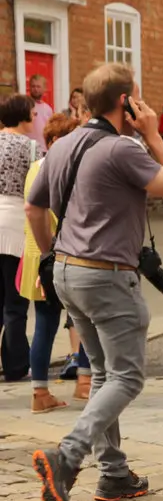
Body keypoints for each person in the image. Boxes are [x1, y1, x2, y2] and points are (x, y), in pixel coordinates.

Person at [27, 62, 163, 501]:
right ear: (126, 102)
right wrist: (154, 135)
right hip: (106, 274)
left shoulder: (61, 146)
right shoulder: (122, 148)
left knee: (102, 372)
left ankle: (114, 474)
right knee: (127, 377)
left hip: (65, 272)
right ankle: (68, 455)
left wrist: (48, 254)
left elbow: (32, 206)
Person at [21, 113, 93, 412]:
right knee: (86, 321)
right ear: (54, 141)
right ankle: (85, 384)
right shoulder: (66, 169)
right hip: (63, 254)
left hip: (36, 255)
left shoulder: (34, 168)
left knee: (44, 326)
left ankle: (40, 393)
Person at [0, 94, 37, 382]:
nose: (35, 119)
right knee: (15, 303)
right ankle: (15, 366)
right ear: (23, 117)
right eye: (33, 115)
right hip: (14, 226)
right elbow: (37, 189)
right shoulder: (31, 148)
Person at [27, 75, 54, 153]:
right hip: (28, 148)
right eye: (33, 86)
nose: (35, 89)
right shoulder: (25, 105)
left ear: (44, 88)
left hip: (43, 149)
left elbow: (50, 130)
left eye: (38, 87)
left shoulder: (48, 109)